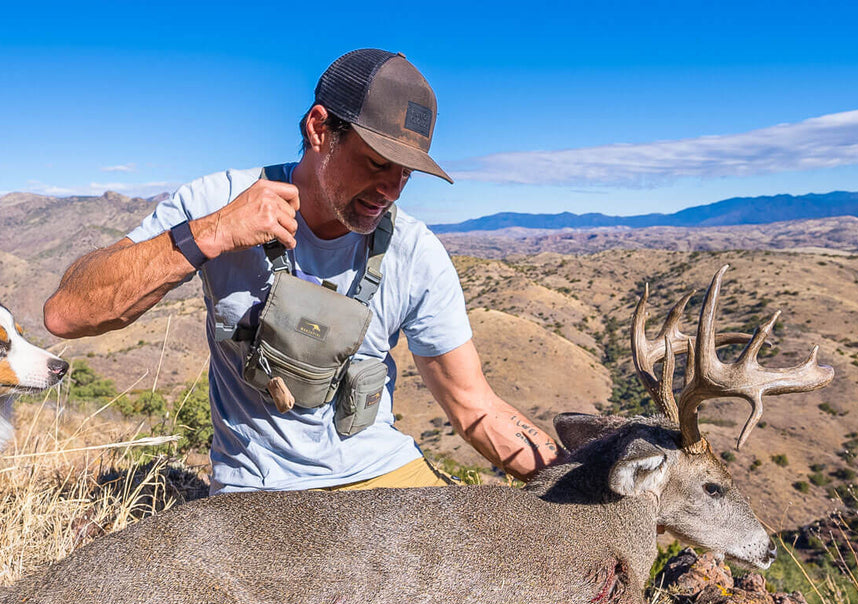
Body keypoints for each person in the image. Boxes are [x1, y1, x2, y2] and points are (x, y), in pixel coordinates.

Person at [43, 49, 559, 492]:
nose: (391, 190)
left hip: (386, 479)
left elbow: (475, 408)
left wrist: (583, 482)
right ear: (319, 129)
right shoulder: (216, 202)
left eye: (406, 173)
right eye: (378, 162)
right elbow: (69, 315)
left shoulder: (418, 254)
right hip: (258, 494)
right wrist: (211, 234)